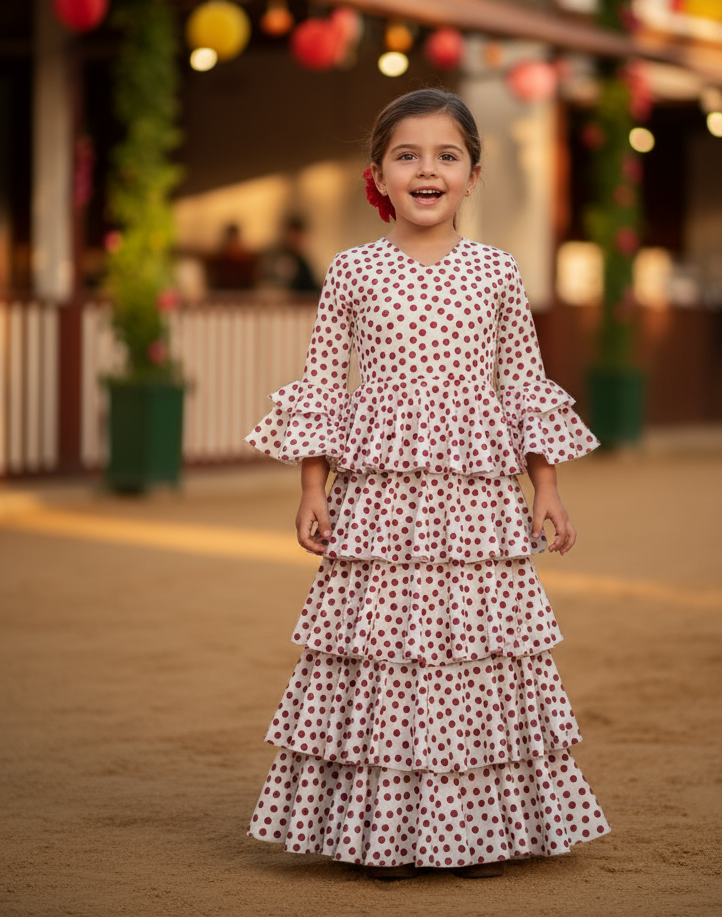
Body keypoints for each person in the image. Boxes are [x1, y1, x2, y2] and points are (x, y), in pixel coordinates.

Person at [244, 89, 608, 879]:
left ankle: (473, 829)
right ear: (377, 174)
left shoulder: (498, 274)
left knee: (472, 655)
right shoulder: (351, 272)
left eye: (447, 156)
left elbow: (524, 388)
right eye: (407, 155)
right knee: (386, 654)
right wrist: (313, 490)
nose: (427, 170)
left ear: (473, 175)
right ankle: (383, 833)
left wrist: (544, 488)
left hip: (477, 505)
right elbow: (321, 389)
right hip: (378, 504)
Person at [258, 215, 320, 295]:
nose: (296, 239)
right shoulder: (274, 257)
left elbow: (311, 288)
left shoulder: (302, 262)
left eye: (298, 236)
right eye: (293, 235)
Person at [208, 222, 256, 291]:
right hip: (223, 291)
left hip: (242, 292)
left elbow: (250, 280)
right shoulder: (220, 256)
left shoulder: (245, 256)